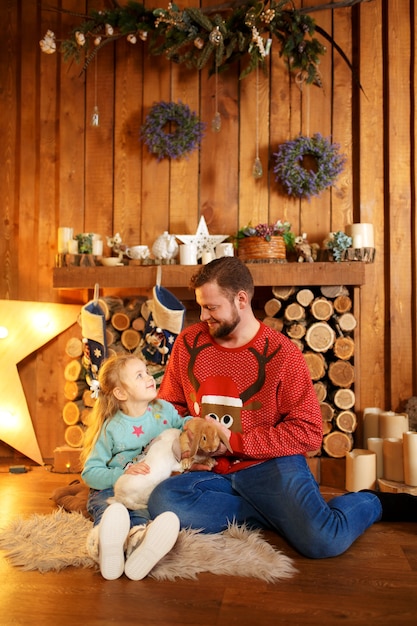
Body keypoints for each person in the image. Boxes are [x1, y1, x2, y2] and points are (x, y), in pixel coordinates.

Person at [148, 256, 417, 558]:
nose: (203, 316)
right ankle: (277, 512)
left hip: (269, 465)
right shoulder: (188, 342)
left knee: (323, 540)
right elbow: (168, 405)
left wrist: (235, 442)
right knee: (163, 503)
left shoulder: (282, 353)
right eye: (200, 306)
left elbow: (309, 432)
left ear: (240, 299)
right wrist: (190, 433)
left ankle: (372, 503)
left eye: (211, 307)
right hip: (211, 470)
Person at [81, 353, 190, 580]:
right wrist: (121, 474)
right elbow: (90, 472)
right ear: (121, 393)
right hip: (112, 488)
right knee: (111, 508)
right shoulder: (111, 428)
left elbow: (182, 425)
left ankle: (138, 542)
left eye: (147, 372)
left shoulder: (163, 410)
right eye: (139, 376)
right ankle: (105, 542)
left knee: (142, 509)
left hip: (145, 488)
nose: (149, 378)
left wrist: (197, 424)